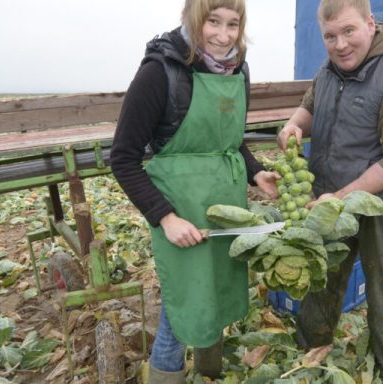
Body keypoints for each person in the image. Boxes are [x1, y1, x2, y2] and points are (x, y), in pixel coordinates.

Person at [110, 0, 279, 382]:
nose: (223, 36)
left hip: (225, 206)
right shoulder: (161, 72)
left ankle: (208, 372)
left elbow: (230, 140)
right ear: (193, 18)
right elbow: (122, 158)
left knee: (216, 291)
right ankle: (164, 374)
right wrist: (165, 217)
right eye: (212, 22)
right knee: (184, 302)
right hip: (180, 209)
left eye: (233, 24)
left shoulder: (238, 70)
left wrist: (256, 174)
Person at [277, 0, 383, 382]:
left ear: (370, 24)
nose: (340, 44)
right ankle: (309, 359)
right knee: (322, 281)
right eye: (330, 36)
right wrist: (293, 127)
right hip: (333, 200)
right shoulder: (328, 71)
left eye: (349, 31)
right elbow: (308, 110)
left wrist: (339, 197)